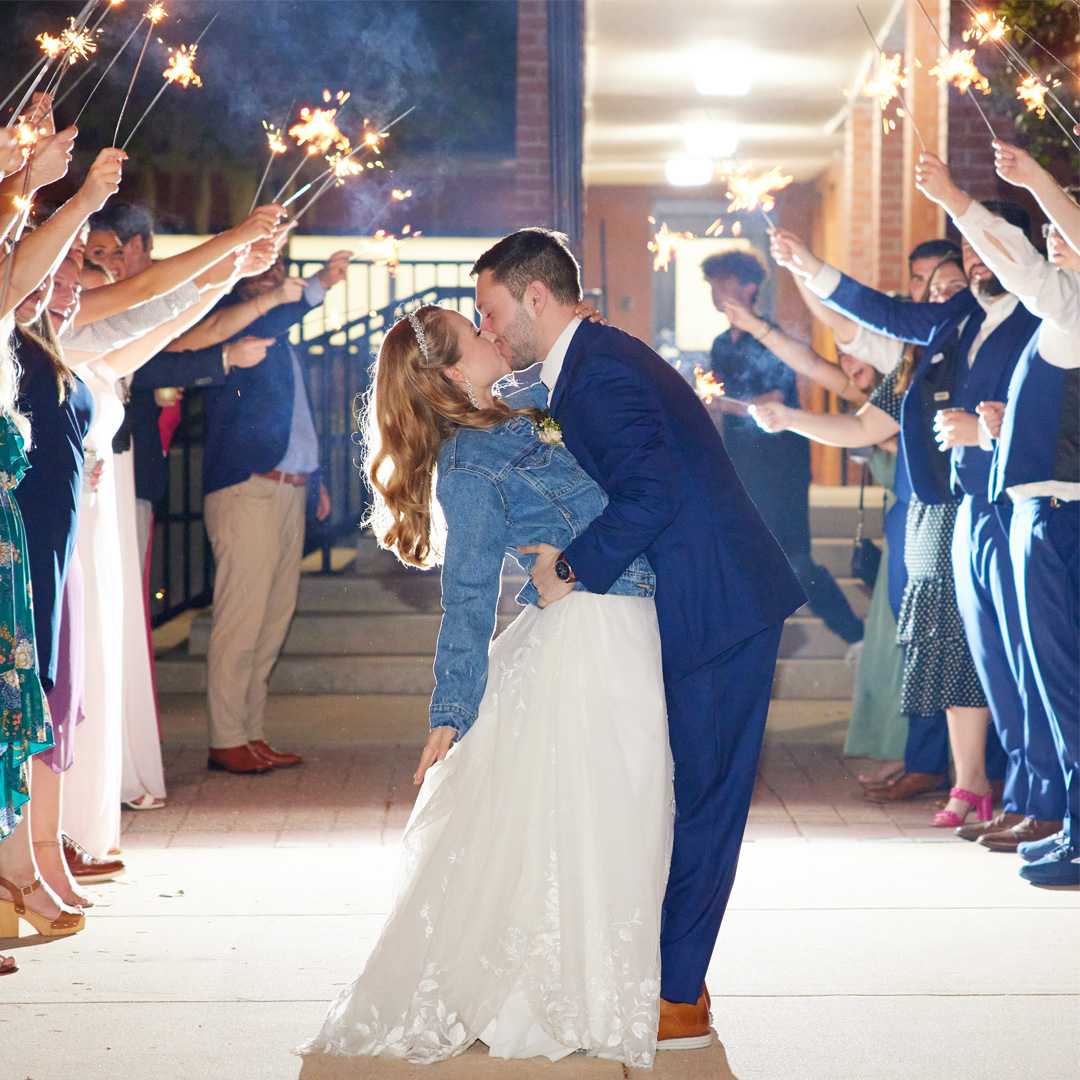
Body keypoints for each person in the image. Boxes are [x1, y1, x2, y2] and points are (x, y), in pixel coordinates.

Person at [304, 304, 673, 1066]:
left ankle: (611, 978)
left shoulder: (529, 411)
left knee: (625, 805)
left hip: (619, 613)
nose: (488, 329)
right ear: (446, 371)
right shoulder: (470, 469)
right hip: (589, 634)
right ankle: (559, 991)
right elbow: (468, 596)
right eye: (473, 330)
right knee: (599, 810)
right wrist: (452, 708)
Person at [473, 228, 805, 1047]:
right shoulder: (584, 368)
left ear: (536, 297)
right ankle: (670, 976)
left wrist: (570, 570)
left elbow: (649, 495)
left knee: (705, 801)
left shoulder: (597, 377)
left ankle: (681, 998)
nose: (487, 332)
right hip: (701, 597)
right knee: (687, 793)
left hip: (719, 603)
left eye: (490, 313)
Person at [753, 258, 1000, 829]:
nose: (940, 300)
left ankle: (986, 781)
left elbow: (852, 326)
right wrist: (789, 417)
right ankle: (967, 781)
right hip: (922, 518)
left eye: (951, 289)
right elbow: (862, 428)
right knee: (941, 649)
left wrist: (808, 270)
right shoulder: (916, 364)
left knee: (971, 650)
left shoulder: (983, 355)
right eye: (932, 290)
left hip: (965, 510)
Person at [916, 147, 1080, 885]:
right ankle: (1061, 813)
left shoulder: (1068, 304)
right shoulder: (1064, 312)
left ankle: (1070, 821)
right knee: (1047, 676)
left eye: (1061, 226)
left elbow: (1021, 267)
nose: (1050, 234)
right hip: (1036, 506)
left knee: (1062, 678)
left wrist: (968, 195)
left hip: (1056, 511)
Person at [201, 251, 349, 774]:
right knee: (242, 619)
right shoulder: (232, 329)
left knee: (271, 620)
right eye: (259, 271)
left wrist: (315, 480)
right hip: (248, 490)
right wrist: (321, 282)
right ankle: (226, 738)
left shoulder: (280, 338)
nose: (271, 279)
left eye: (277, 270)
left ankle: (250, 733)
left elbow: (295, 422)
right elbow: (275, 312)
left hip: (287, 490)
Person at [702, 250, 864, 649]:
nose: (718, 292)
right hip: (740, 460)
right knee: (743, 553)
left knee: (794, 559)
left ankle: (853, 634)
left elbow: (773, 398)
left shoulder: (769, 335)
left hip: (779, 464)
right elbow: (718, 403)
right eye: (713, 285)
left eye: (726, 283)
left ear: (750, 287)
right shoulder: (721, 343)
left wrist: (721, 403)